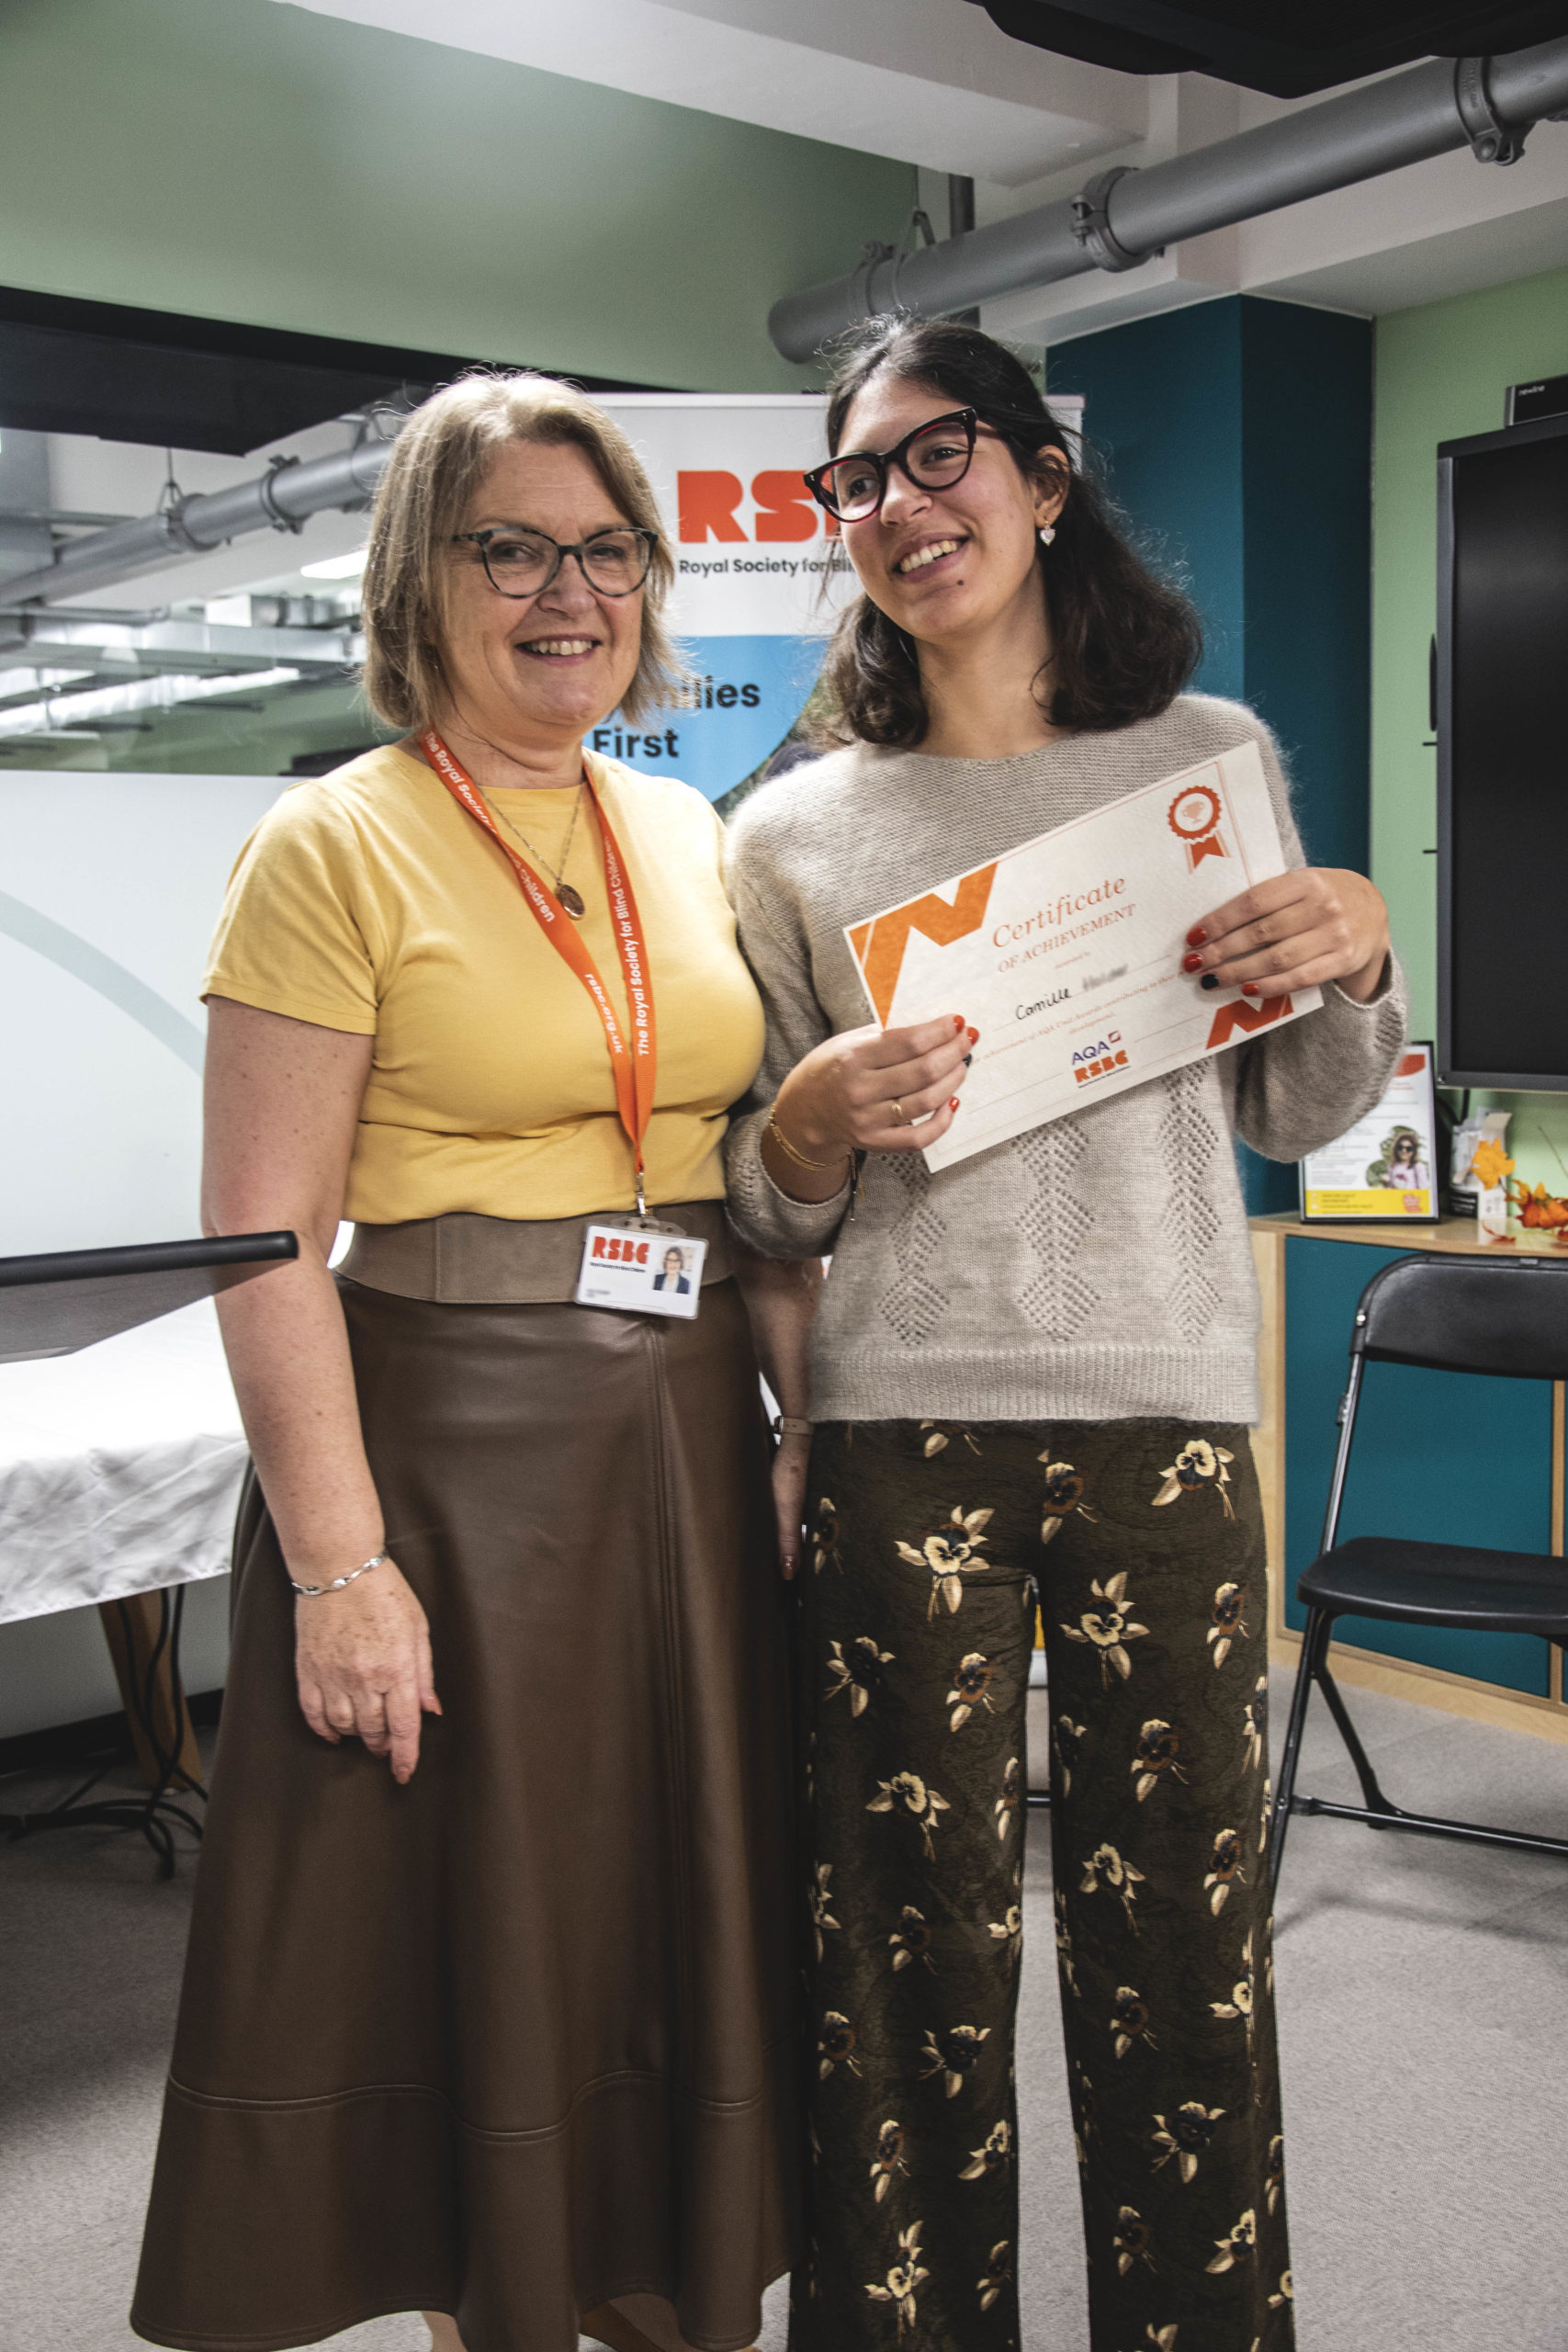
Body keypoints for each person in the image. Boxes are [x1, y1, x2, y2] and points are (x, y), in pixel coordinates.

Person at [723, 320, 1407, 2352]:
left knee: (1181, 1945)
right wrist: (802, 1124)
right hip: (896, 1433)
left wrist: (1360, 954)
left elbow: (1296, 1106)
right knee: (898, 1960)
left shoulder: (1204, 759)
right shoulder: (789, 835)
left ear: (1039, 480)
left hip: (1162, 1416)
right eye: (857, 480)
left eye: (937, 455)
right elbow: (769, 1208)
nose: (897, 505)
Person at [131, 371, 812, 2352]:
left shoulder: (682, 825)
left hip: (684, 1431)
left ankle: (662, 2295)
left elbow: (738, 1154)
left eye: (604, 551)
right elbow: (264, 1241)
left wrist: (794, 1418)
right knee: (485, 1936)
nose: (565, 593)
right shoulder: (330, 844)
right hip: (449, 1452)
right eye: (508, 548)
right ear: (418, 578)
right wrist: (338, 1567)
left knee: (661, 1919)